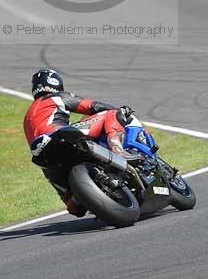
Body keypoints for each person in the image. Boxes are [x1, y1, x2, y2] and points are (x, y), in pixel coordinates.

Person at [23, 68, 135, 217]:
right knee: (111, 114)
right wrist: (120, 110)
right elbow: (91, 106)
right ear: (56, 84)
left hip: (44, 156)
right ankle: (117, 149)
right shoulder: (56, 97)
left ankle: (73, 198)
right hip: (61, 136)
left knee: (74, 207)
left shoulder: (27, 118)